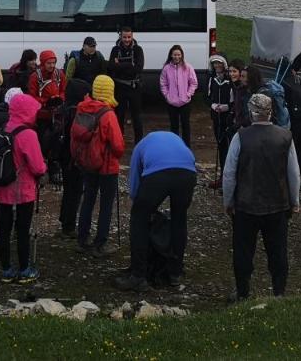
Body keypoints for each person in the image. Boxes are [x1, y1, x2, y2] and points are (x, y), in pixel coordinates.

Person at [223, 94, 300, 301]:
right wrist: (294, 201)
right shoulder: (285, 136)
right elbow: (293, 173)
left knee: (243, 251)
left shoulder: (241, 136)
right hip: (278, 204)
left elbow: (229, 173)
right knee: (278, 250)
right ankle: (279, 292)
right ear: (271, 112)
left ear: (251, 112)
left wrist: (228, 201)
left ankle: (242, 292)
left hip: (246, 205)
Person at [114, 130, 197, 291]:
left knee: (139, 218)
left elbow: (134, 187)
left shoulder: (140, 147)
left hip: (158, 174)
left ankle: (138, 276)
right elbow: (190, 159)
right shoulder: (176, 140)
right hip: (188, 172)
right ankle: (175, 273)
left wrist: (143, 206)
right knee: (179, 219)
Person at [0, 92, 47, 284]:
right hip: (23, 191)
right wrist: (45, 169)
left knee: (3, 231)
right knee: (23, 230)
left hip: (3, 191)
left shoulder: (4, 128)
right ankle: (25, 269)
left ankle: (6, 270)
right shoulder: (28, 134)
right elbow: (37, 166)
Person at [76, 75, 125, 258]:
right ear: (110, 90)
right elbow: (118, 146)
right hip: (106, 165)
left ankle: (82, 239)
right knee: (106, 203)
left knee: (88, 198)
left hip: (88, 162)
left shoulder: (82, 108)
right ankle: (100, 243)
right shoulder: (108, 114)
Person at [56, 78, 91, 237]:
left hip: (63, 156)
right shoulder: (79, 112)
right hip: (76, 158)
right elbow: (84, 135)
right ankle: (69, 226)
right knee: (75, 192)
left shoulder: (62, 109)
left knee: (68, 190)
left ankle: (64, 220)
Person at [27, 49, 66, 182]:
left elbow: (64, 90)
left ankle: (54, 169)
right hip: (41, 116)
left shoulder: (59, 74)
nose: (52, 65)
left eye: (53, 62)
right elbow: (31, 97)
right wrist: (45, 102)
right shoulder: (35, 77)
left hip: (57, 115)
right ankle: (40, 168)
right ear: (43, 63)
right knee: (42, 142)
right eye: (49, 63)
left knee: (56, 142)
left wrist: (59, 98)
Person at [107, 27, 145, 142]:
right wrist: (129, 65)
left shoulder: (138, 50)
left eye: (129, 37)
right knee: (119, 116)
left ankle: (139, 142)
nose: (127, 40)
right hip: (119, 87)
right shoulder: (115, 50)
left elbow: (138, 68)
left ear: (132, 36)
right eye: (124, 37)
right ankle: (119, 140)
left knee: (137, 117)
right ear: (120, 37)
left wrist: (121, 65)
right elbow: (111, 67)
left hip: (134, 86)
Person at [205, 54, 234, 189]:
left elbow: (234, 100)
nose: (217, 66)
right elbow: (207, 96)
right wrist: (212, 105)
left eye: (219, 64)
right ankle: (222, 176)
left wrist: (227, 107)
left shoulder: (229, 80)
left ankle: (228, 177)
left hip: (227, 118)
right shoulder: (212, 79)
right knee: (220, 146)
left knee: (228, 147)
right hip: (216, 117)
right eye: (215, 64)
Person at [159, 45, 197, 147]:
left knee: (186, 126)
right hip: (172, 103)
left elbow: (193, 83)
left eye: (179, 55)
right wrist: (167, 96)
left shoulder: (188, 67)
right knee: (174, 126)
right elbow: (163, 83)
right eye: (175, 54)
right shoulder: (166, 68)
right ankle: (174, 146)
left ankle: (186, 147)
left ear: (182, 55)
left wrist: (188, 94)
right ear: (171, 55)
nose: (177, 57)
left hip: (185, 102)